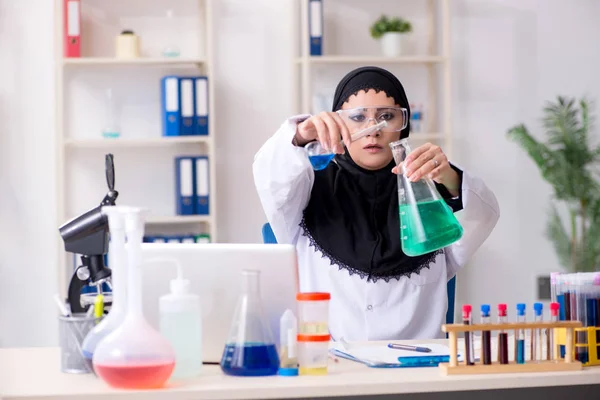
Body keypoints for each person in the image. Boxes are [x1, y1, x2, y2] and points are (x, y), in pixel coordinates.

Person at [253, 66, 500, 340]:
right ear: (337, 125)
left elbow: (483, 213)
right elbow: (272, 179)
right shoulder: (306, 187)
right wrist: (299, 136)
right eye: (357, 117)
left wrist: (451, 178)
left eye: (387, 116)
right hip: (332, 368)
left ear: (403, 126)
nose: (373, 129)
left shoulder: (429, 191)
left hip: (416, 371)